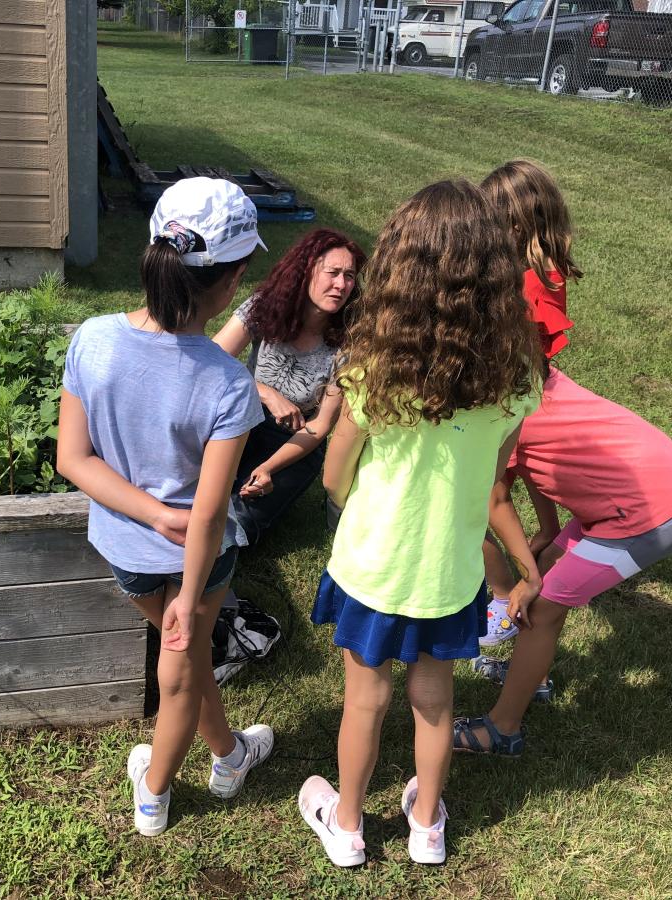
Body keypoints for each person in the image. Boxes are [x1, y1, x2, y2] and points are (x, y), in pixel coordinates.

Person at [296, 180, 543, 867]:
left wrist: (352, 504)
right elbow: (492, 476)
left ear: (399, 270)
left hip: (373, 565)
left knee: (364, 702)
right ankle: (427, 826)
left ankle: (346, 826)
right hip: (453, 570)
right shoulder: (519, 376)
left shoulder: (373, 371)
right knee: (435, 701)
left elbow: (333, 475)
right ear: (496, 275)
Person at [56, 177, 274, 837]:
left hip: (122, 550)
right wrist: (185, 581)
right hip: (197, 563)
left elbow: (73, 459)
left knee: (188, 662)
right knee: (179, 673)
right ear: (232, 281)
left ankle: (231, 753)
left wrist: (146, 515)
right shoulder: (230, 385)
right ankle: (155, 793)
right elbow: (206, 516)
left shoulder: (91, 339)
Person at [452, 365, 672, 756]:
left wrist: (529, 575)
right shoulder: (531, 378)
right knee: (549, 573)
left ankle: (502, 730)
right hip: (654, 489)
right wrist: (548, 535)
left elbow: (496, 501)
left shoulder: (492, 410)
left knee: (543, 605)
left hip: (650, 514)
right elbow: (534, 459)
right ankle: (532, 678)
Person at [477, 158, 584, 647]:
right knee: (524, 480)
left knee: (486, 501)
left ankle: (508, 594)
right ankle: (543, 537)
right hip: (533, 396)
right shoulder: (548, 273)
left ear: (514, 224)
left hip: (507, 403)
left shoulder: (521, 287)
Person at [212, 228, 366, 546]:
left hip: (293, 443)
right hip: (239, 418)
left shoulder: (348, 343)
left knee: (238, 522)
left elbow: (321, 425)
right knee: (197, 490)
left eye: (349, 276)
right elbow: (210, 360)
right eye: (333, 273)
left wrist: (268, 468)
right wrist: (267, 393)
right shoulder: (264, 306)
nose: (341, 285)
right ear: (306, 270)